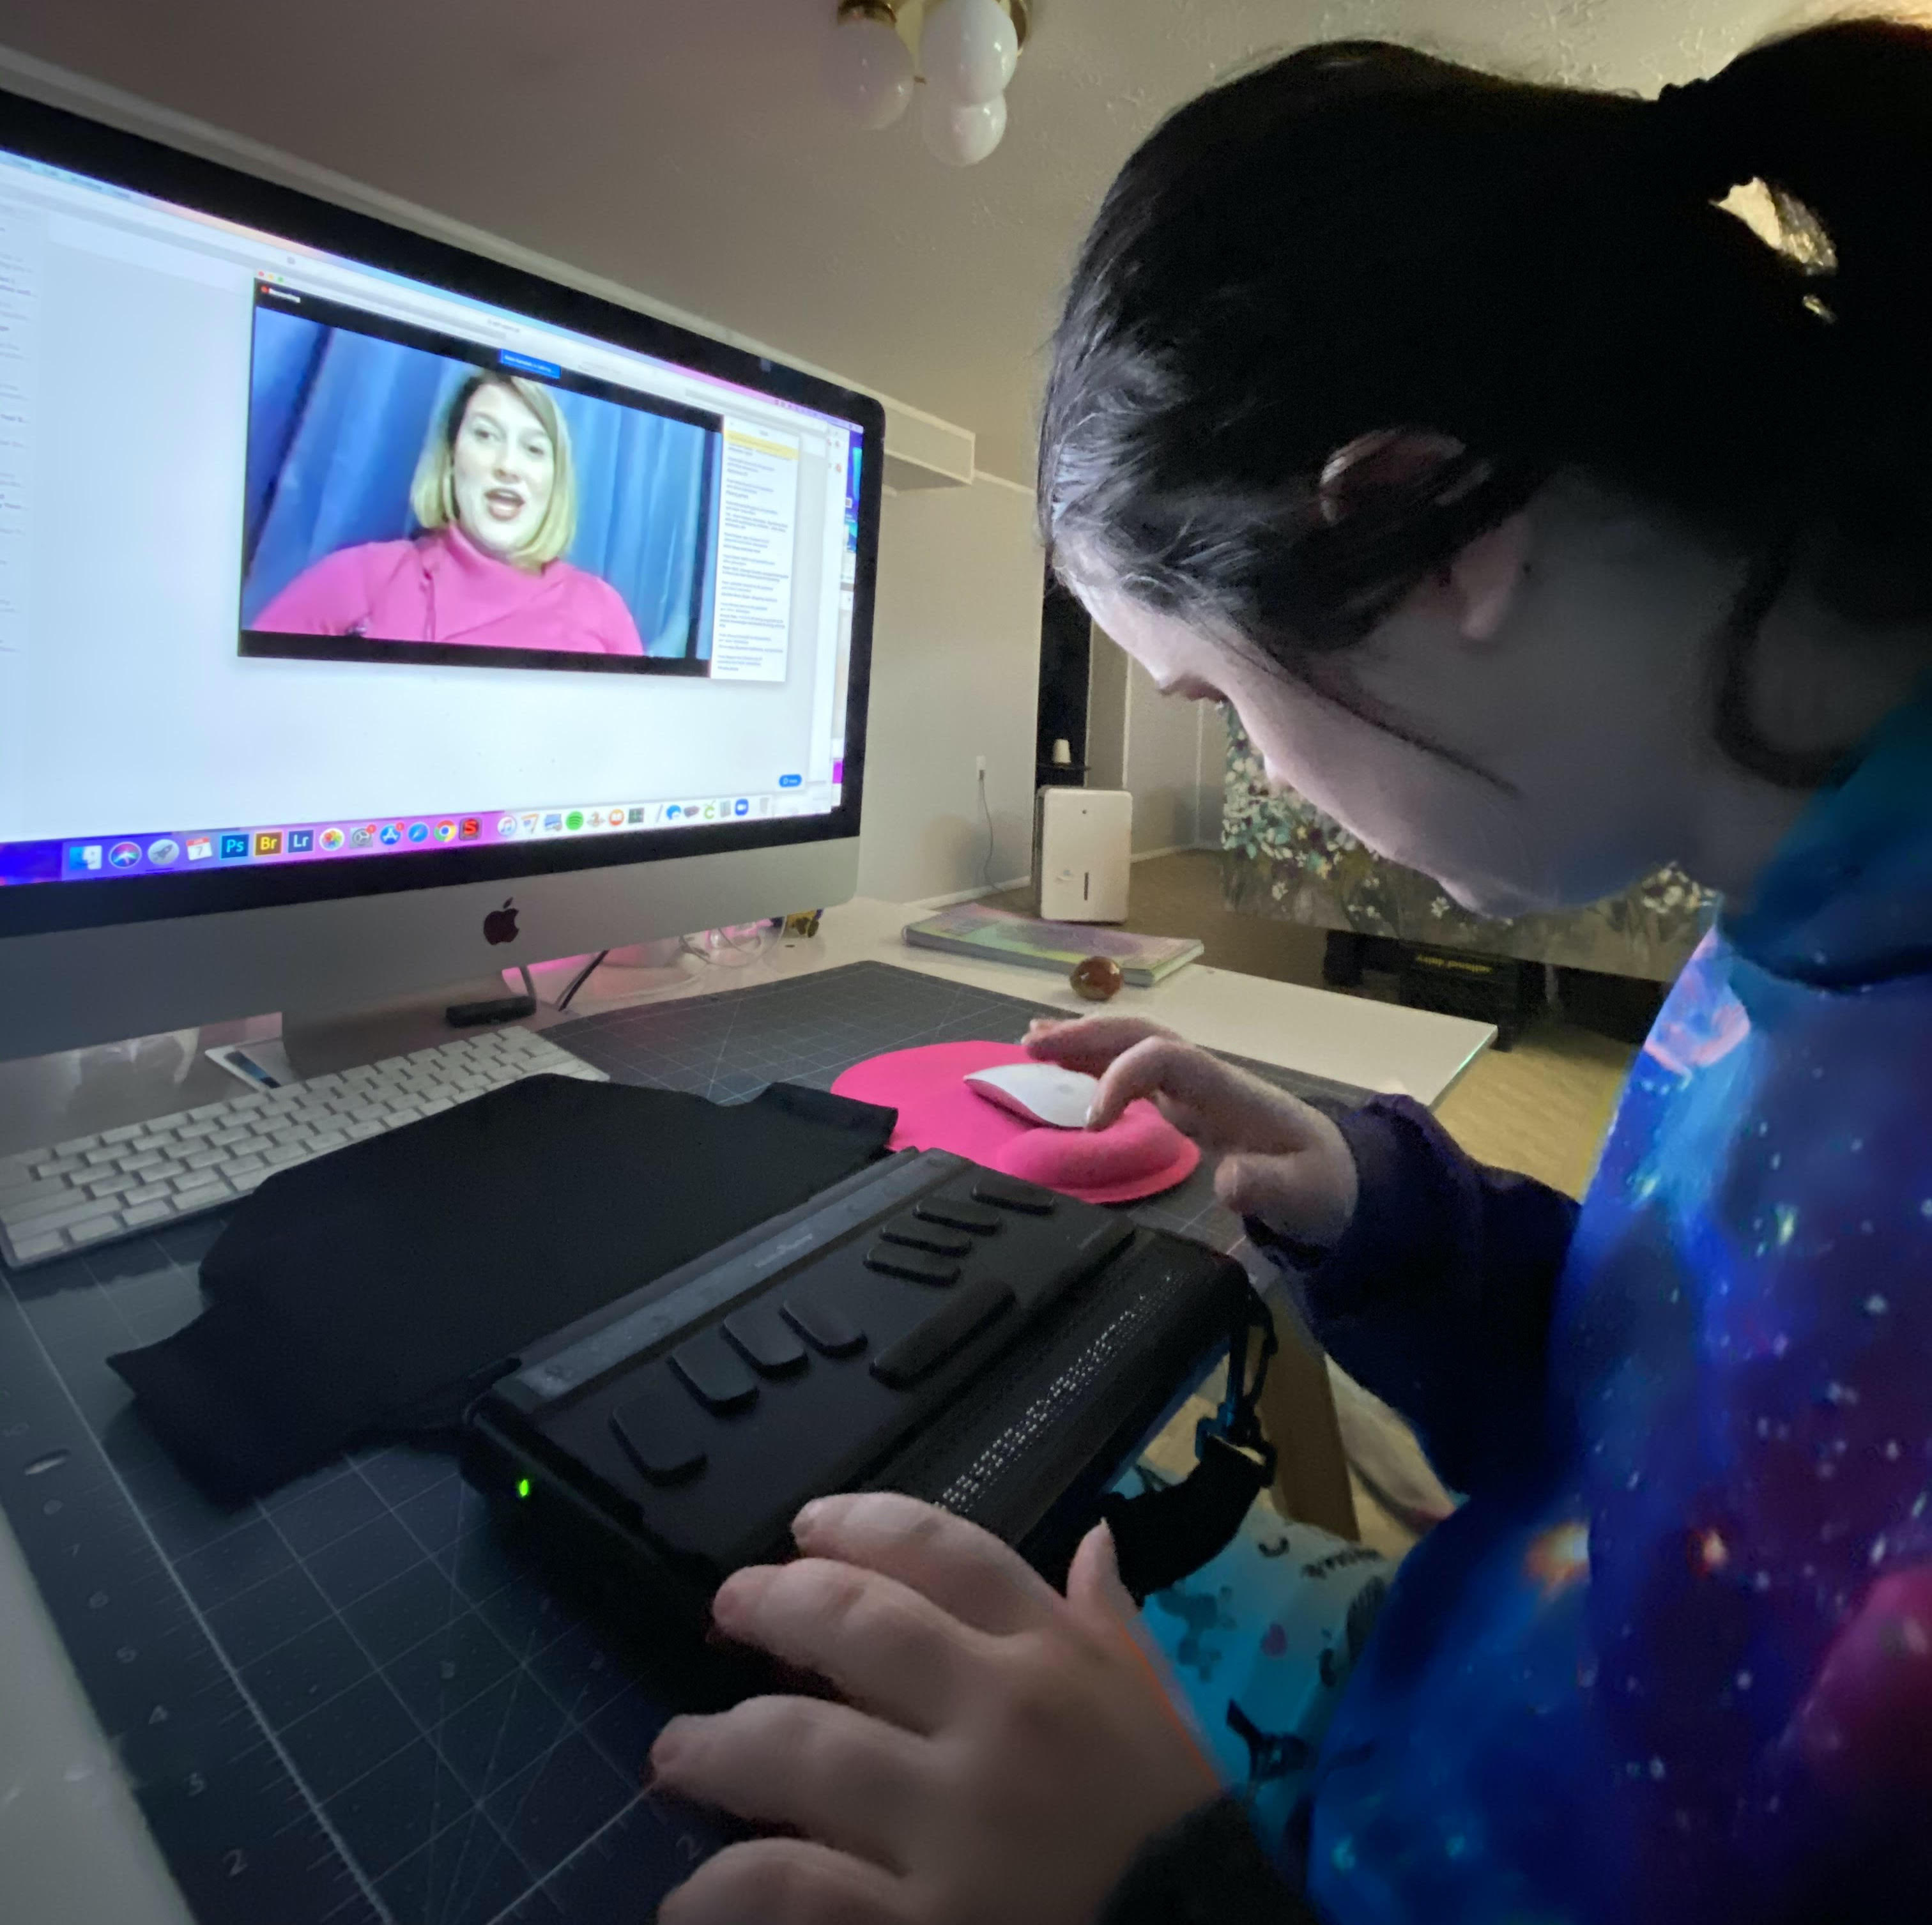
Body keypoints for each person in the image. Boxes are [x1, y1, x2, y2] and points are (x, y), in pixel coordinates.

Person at [648, 22, 1932, 1924]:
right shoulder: (1804, 921)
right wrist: (1407, 1221)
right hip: (1479, 1707)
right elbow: (1708, 1428)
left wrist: (1170, 1884)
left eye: (1221, 699)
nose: (1257, 764)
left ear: (1435, 532)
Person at [253, 370, 645, 655]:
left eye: (534, 449)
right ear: (452, 457)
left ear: (555, 482)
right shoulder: (357, 578)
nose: (508, 465)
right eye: (486, 435)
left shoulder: (602, 611)